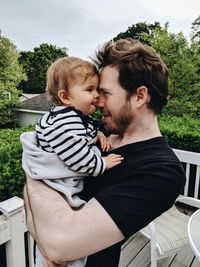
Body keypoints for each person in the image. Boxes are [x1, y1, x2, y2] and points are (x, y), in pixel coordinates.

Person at [22, 39, 186, 267]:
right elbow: (48, 237)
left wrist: (33, 171)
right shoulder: (94, 132)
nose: (97, 102)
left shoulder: (161, 172)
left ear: (140, 96)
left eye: (105, 93)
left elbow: (59, 245)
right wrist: (44, 242)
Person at [21, 56, 123, 267]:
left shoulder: (66, 116)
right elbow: (78, 158)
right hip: (58, 185)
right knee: (63, 239)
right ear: (65, 97)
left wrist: (97, 135)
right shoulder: (67, 121)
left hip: (52, 188)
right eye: (90, 90)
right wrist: (103, 163)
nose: (96, 96)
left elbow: (82, 134)